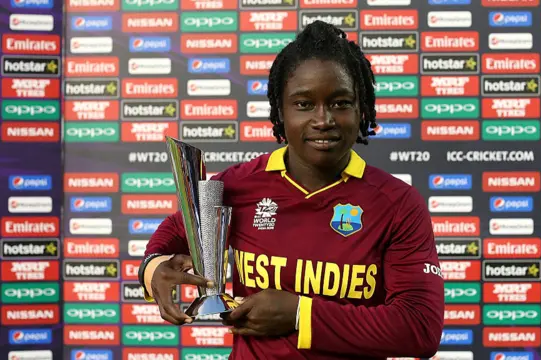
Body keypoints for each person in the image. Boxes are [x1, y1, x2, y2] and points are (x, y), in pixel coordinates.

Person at [138, 20, 444, 360]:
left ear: (362, 111)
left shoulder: (398, 204)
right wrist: (153, 268)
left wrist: (301, 314)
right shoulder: (238, 185)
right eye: (303, 104)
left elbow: (420, 328)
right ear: (279, 112)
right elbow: (174, 232)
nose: (323, 119)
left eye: (341, 103)